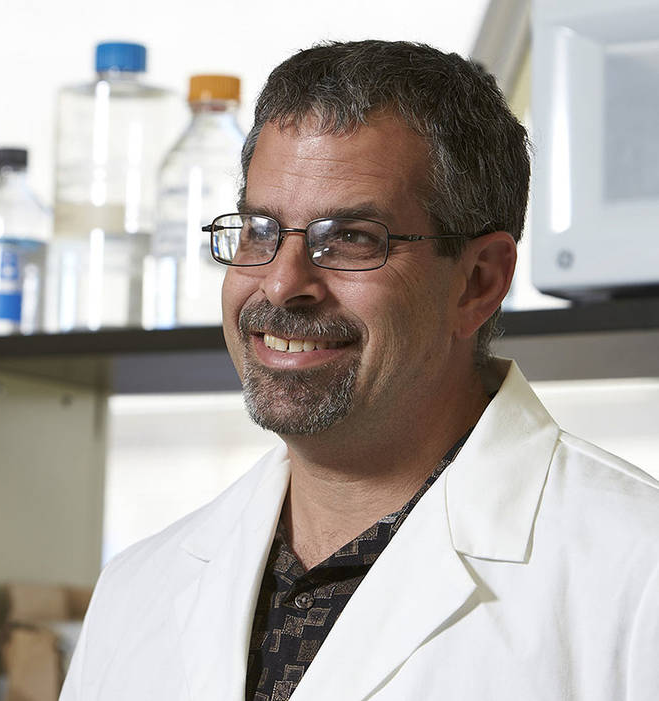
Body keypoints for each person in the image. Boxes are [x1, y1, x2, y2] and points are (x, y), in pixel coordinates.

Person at [59, 40, 659, 701]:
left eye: (349, 238)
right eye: (260, 230)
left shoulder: (637, 574)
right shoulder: (135, 592)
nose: (282, 284)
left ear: (479, 282)